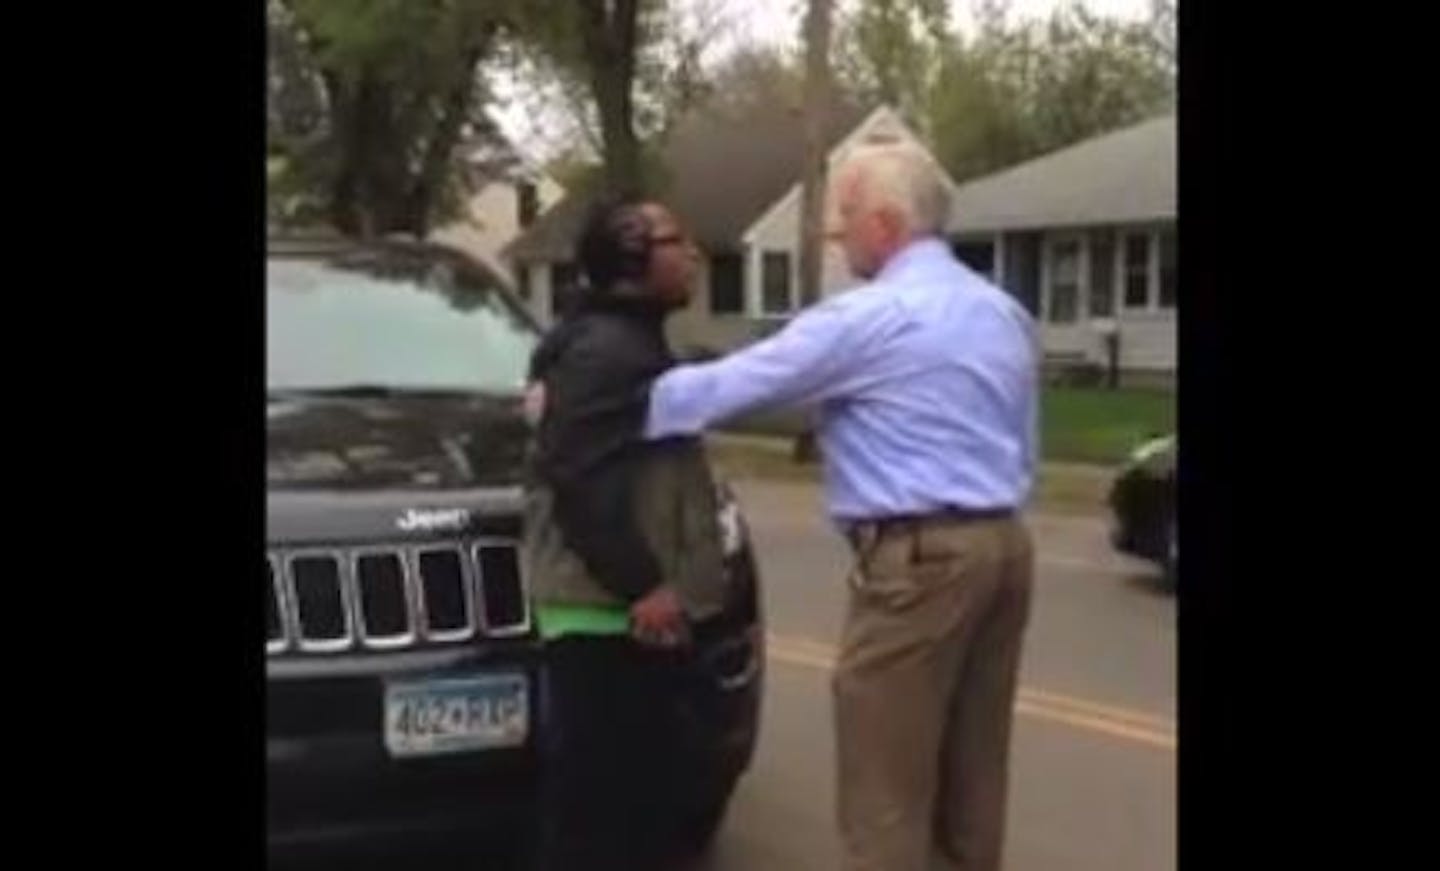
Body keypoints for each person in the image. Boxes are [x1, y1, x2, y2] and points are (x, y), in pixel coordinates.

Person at [645, 141, 1039, 871]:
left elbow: (740, 382)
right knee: (974, 779)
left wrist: (610, 397)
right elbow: (1023, 444)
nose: (836, 233)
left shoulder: (870, 318)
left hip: (919, 561)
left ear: (887, 225)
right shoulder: (1002, 312)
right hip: (1004, 547)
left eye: (846, 216)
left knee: (884, 793)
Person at [522, 194, 730, 871]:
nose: (693, 252)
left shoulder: (616, 339)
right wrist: (646, 584)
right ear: (632, 259)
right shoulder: (605, 351)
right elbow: (577, 477)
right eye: (677, 239)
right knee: (605, 823)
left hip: (618, 608)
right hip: (605, 612)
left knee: (631, 813)